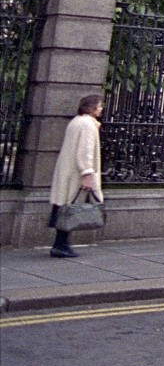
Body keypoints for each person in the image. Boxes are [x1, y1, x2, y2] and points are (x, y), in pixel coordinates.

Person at [48, 94, 104, 258]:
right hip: (76, 174)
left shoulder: (77, 121)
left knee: (65, 207)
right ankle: (61, 245)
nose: (101, 109)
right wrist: (87, 173)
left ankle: (61, 243)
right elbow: (85, 151)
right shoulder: (87, 125)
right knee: (71, 209)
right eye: (99, 106)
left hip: (68, 171)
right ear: (91, 108)